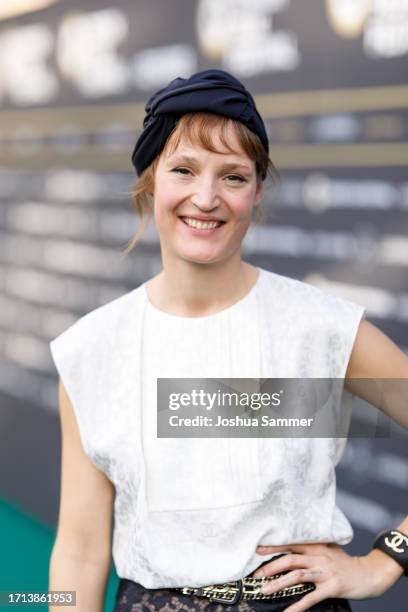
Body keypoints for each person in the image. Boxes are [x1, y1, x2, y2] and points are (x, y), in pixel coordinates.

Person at [48, 69, 408, 612]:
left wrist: (384, 562)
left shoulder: (322, 329)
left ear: (258, 189)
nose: (206, 197)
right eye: (184, 169)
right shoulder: (91, 350)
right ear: (151, 179)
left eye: (233, 177)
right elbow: (79, 550)